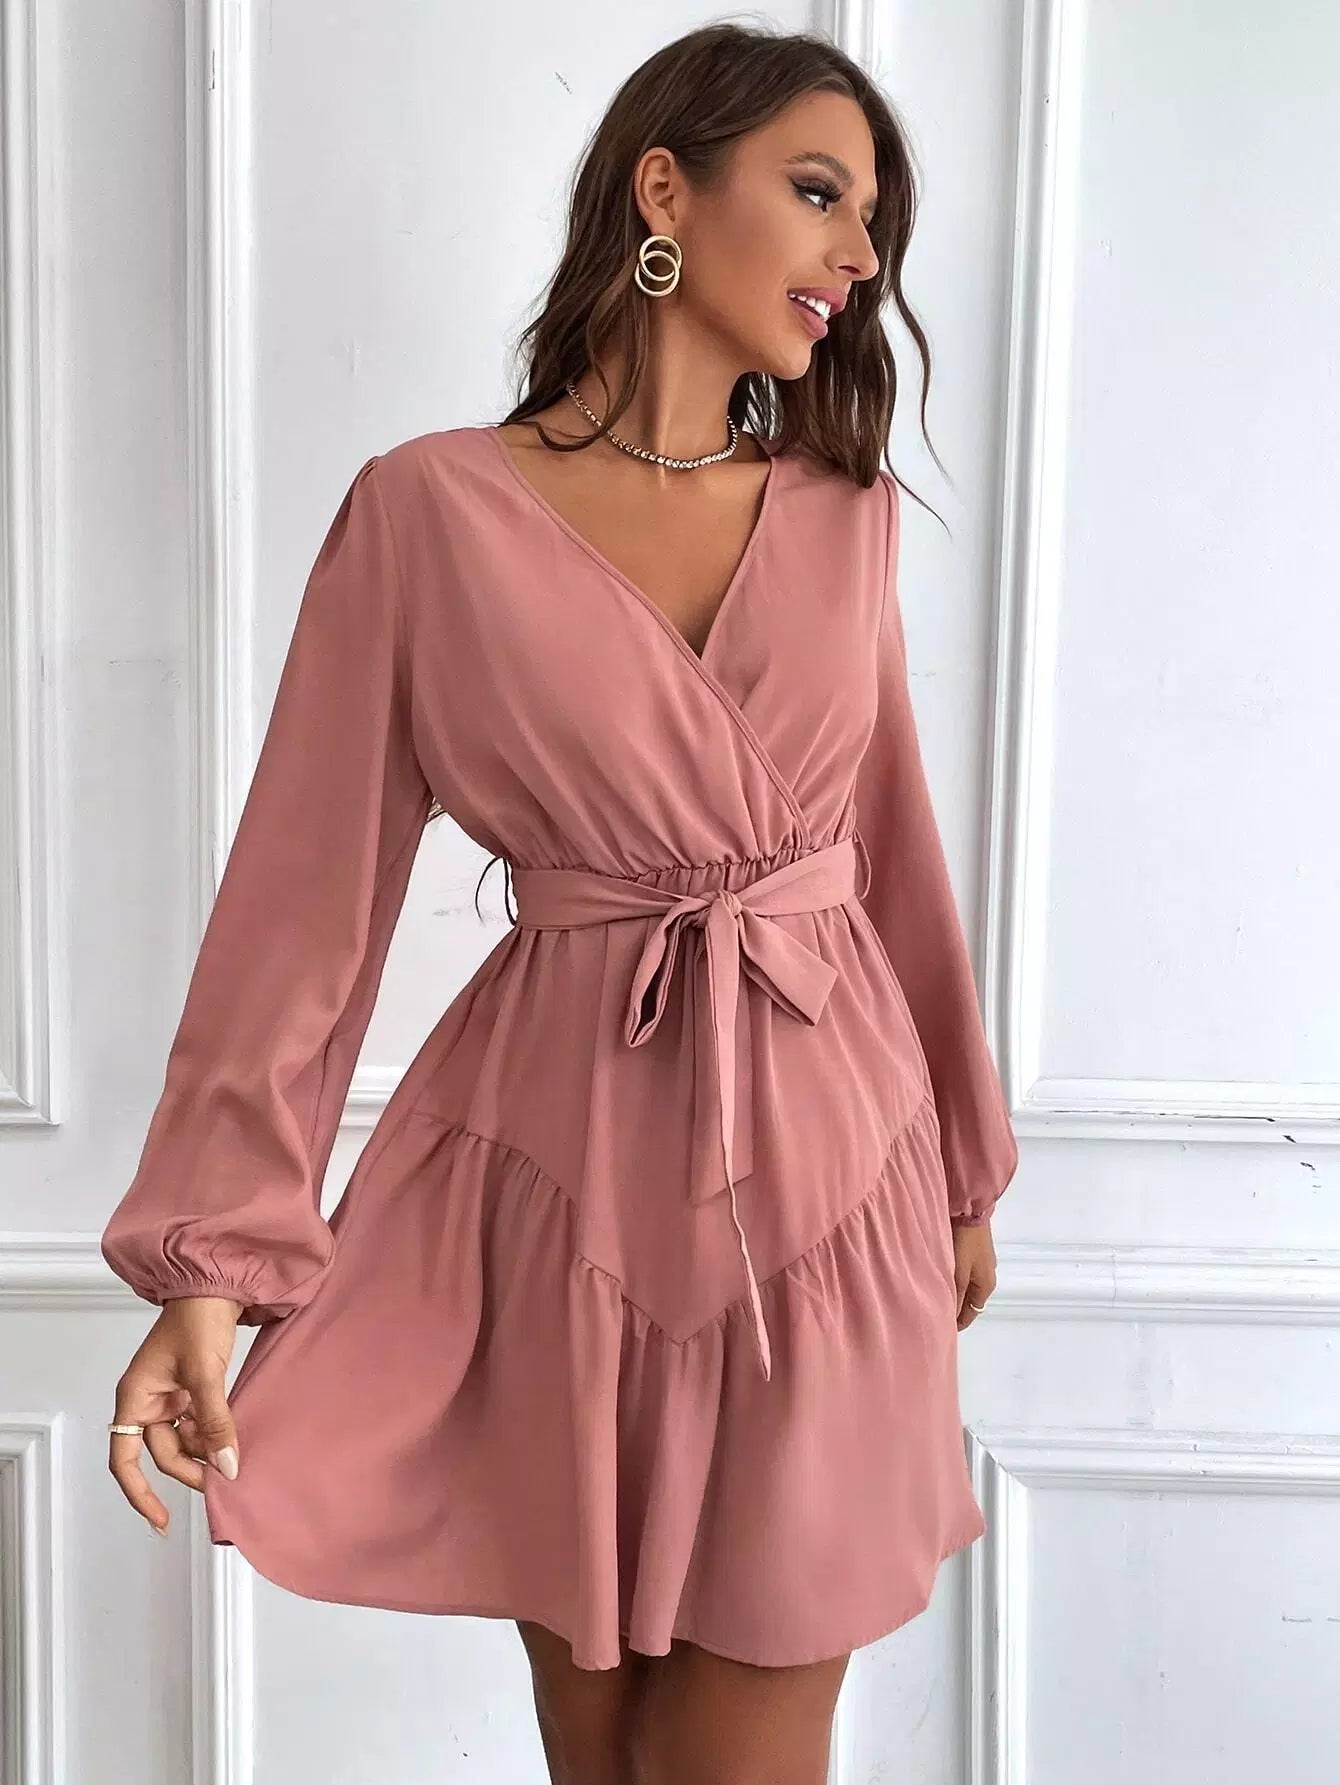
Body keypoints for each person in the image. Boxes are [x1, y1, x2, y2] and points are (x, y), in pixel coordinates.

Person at [101, 21, 1018, 1785]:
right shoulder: (428, 513)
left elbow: (888, 851)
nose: (860, 254)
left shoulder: (846, 519)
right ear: (665, 189)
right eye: (819, 192)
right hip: (561, 1197)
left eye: (873, 219)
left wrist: (964, 1167)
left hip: (830, 1188)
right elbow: (303, 905)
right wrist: (209, 1268)